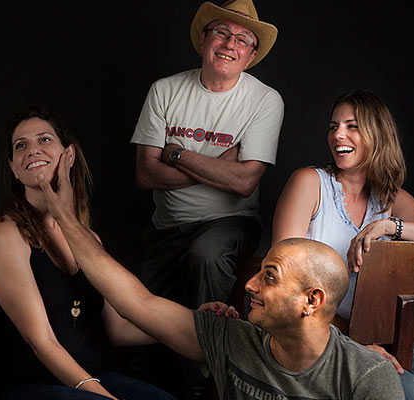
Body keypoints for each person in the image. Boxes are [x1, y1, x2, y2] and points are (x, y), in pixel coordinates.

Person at [28, 152, 403, 399]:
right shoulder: (231, 338)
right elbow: (136, 302)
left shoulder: (367, 376)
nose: (249, 285)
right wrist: (62, 214)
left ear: (312, 300)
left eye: (270, 277)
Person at [271, 89, 414, 399]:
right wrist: (354, 344)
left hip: (378, 339)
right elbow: (282, 280)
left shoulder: (388, 198)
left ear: (377, 134)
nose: (338, 134)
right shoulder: (310, 183)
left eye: (352, 126)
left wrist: (389, 225)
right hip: (320, 338)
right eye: (333, 126)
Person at [128, 0, 284, 395]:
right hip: (167, 227)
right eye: (222, 33)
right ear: (203, 39)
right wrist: (219, 165)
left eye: (243, 40)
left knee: (206, 255)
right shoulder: (165, 90)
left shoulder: (265, 100)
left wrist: (176, 154)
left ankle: (205, 381)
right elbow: (146, 174)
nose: (230, 44)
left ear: (251, 56)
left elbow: (244, 182)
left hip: (230, 223)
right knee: (144, 327)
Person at [0, 105, 187, 400]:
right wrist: (99, 394)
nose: (33, 150)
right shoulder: (7, 234)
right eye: (21, 146)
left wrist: (191, 322)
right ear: (14, 167)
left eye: (44, 139)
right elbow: (41, 341)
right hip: (33, 384)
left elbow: (118, 328)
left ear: (68, 155)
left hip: (99, 376)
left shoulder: (88, 239)